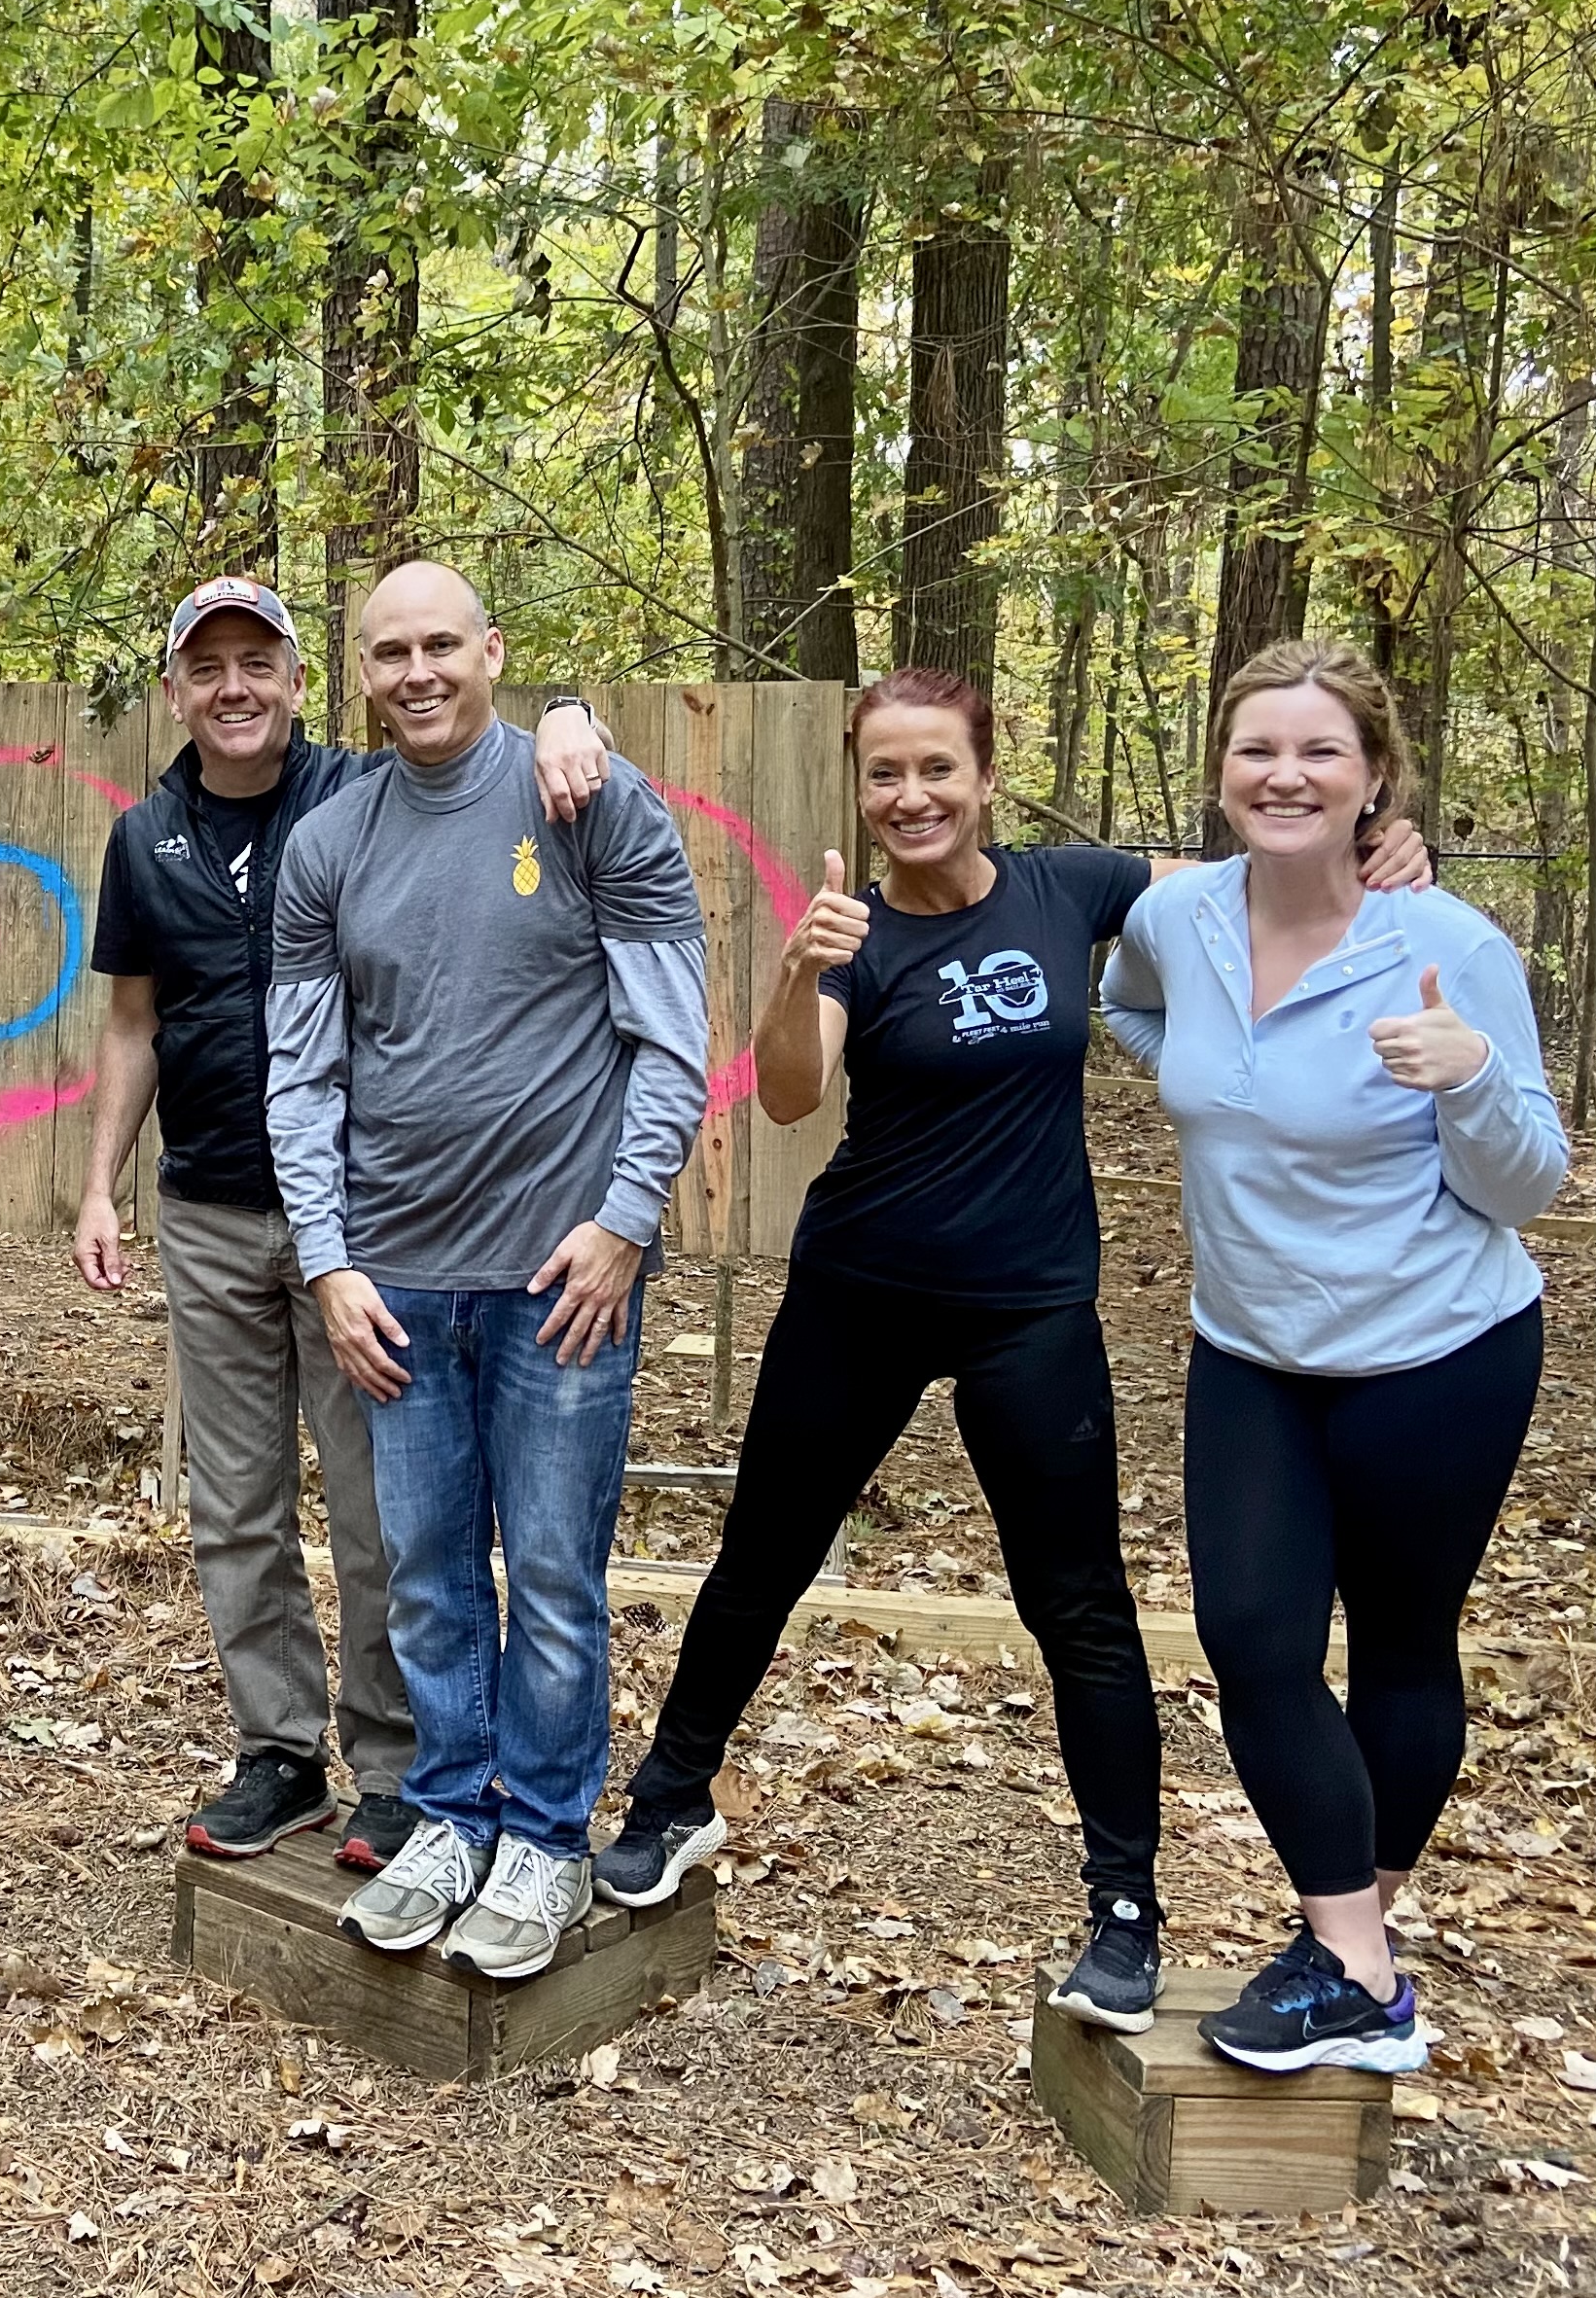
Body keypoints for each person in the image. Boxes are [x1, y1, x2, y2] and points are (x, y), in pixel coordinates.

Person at [596, 668, 1436, 2034]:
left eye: (937, 770)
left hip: (1028, 1307)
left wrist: (1368, 841)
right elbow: (796, 1095)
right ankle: (668, 1803)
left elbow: (1251, 872)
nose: (910, 797)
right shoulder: (850, 935)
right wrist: (796, 970)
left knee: (1081, 1609)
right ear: (859, 793)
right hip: (855, 1292)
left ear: (985, 777)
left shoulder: (1074, 888)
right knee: (758, 1558)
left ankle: (1122, 1911)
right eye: (884, 775)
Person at [76, 576, 609, 1871]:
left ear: (300, 680)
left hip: (362, 1226)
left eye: (256, 662)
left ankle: (396, 1758)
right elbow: (133, 1021)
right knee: (235, 1501)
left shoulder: (356, 799)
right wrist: (97, 1182)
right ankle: (278, 1749)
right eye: (205, 669)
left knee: (382, 1508)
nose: (233, 688)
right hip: (205, 1209)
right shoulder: (146, 840)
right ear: (174, 693)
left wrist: (569, 711)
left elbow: (467, 746)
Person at [1101, 637, 1566, 2074]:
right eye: (1256, 749)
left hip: (1437, 1354)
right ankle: (1355, 1968)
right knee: (1251, 1642)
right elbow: (1128, 1002)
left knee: (1403, 1650)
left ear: (1373, 778)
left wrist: (1471, 1078)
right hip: (1250, 1350)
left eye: (1317, 751)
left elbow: (1529, 1178)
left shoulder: (1447, 948)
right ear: (1220, 772)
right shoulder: (1179, 922)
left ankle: (1349, 1949)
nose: (1282, 774)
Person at [267, 559, 709, 1977]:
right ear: (360, 667)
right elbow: (300, 1078)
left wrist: (624, 1218)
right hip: (393, 1282)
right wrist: (328, 1263)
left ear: (490, 650)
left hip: (557, 1280)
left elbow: (668, 1034)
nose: (416, 672)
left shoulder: (588, 802)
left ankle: (546, 1840)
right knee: (426, 1579)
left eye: (440, 644)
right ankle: (450, 1813)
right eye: (387, 650)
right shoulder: (327, 846)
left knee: (560, 1578)